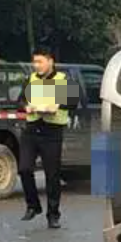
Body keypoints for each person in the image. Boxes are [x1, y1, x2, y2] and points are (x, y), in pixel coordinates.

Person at [17, 47, 78, 229]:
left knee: (52, 175)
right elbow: (20, 100)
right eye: (34, 62)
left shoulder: (63, 79)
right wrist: (26, 107)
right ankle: (33, 205)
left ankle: (53, 214)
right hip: (32, 128)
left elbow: (74, 100)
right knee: (24, 168)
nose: (37, 66)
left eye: (40, 62)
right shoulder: (31, 79)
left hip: (52, 131)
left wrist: (56, 104)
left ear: (50, 61)